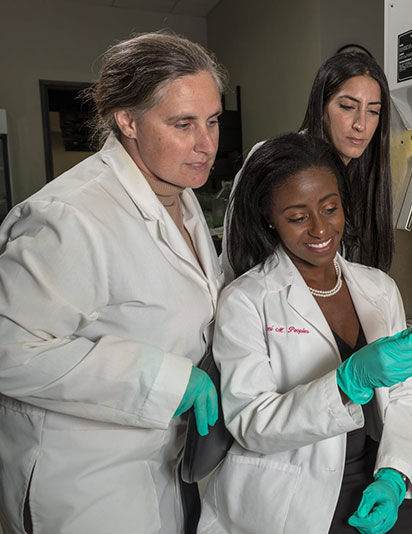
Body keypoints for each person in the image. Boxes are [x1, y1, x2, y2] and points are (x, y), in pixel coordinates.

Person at [0, 31, 224, 534]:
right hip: (84, 480)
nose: (206, 144)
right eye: (183, 124)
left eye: (212, 121)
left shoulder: (182, 200)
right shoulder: (71, 217)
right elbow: (8, 348)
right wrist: (167, 380)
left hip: (161, 461)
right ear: (127, 120)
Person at [198, 134, 412, 534]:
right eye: (297, 216)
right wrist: (346, 382)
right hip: (290, 486)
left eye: (330, 208)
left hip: (375, 472)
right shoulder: (246, 301)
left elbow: (409, 394)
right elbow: (251, 422)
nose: (321, 229)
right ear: (270, 218)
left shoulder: (378, 288)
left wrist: (395, 475)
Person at [220, 51, 393, 282]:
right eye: (347, 107)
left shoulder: (370, 176)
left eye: (373, 111)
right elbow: (238, 256)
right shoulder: (276, 161)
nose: (361, 124)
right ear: (321, 108)